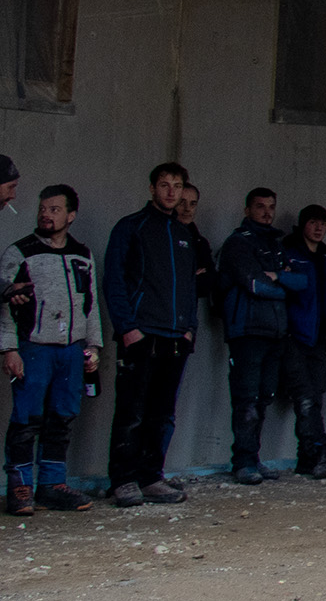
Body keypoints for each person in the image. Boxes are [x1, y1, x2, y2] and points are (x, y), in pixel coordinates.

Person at [101, 163, 208, 507]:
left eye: (177, 186)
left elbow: (192, 286)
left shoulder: (185, 234)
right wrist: (127, 327)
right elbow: (114, 279)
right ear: (152, 188)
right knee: (132, 411)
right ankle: (123, 480)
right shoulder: (132, 227)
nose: (171, 192)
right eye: (164, 185)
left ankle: (150, 476)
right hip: (141, 334)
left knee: (162, 412)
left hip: (176, 336)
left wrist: (190, 328)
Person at [3, 184, 102, 514]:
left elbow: (91, 305)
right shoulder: (19, 252)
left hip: (71, 350)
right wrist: (8, 349)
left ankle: (52, 485)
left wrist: (93, 346)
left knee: (62, 417)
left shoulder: (83, 253)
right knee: (26, 419)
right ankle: (19, 487)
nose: (46, 214)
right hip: (34, 348)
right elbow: (3, 305)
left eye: (55, 209)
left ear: (71, 215)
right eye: (43, 208)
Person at [217, 188, 300, 485]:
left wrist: (280, 279)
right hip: (247, 331)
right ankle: (243, 462)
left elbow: (303, 283)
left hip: (276, 331)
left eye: (271, 207)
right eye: (260, 206)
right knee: (247, 401)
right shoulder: (238, 243)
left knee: (263, 398)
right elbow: (255, 285)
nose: (266, 212)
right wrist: (282, 283)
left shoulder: (275, 245)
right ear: (247, 209)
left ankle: (253, 459)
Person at [278, 205, 326, 479]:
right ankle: (318, 450)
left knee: (315, 397)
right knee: (304, 398)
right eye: (313, 222)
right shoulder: (287, 252)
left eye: (323, 224)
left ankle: (308, 459)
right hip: (295, 335)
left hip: (322, 337)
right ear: (302, 224)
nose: (318, 228)